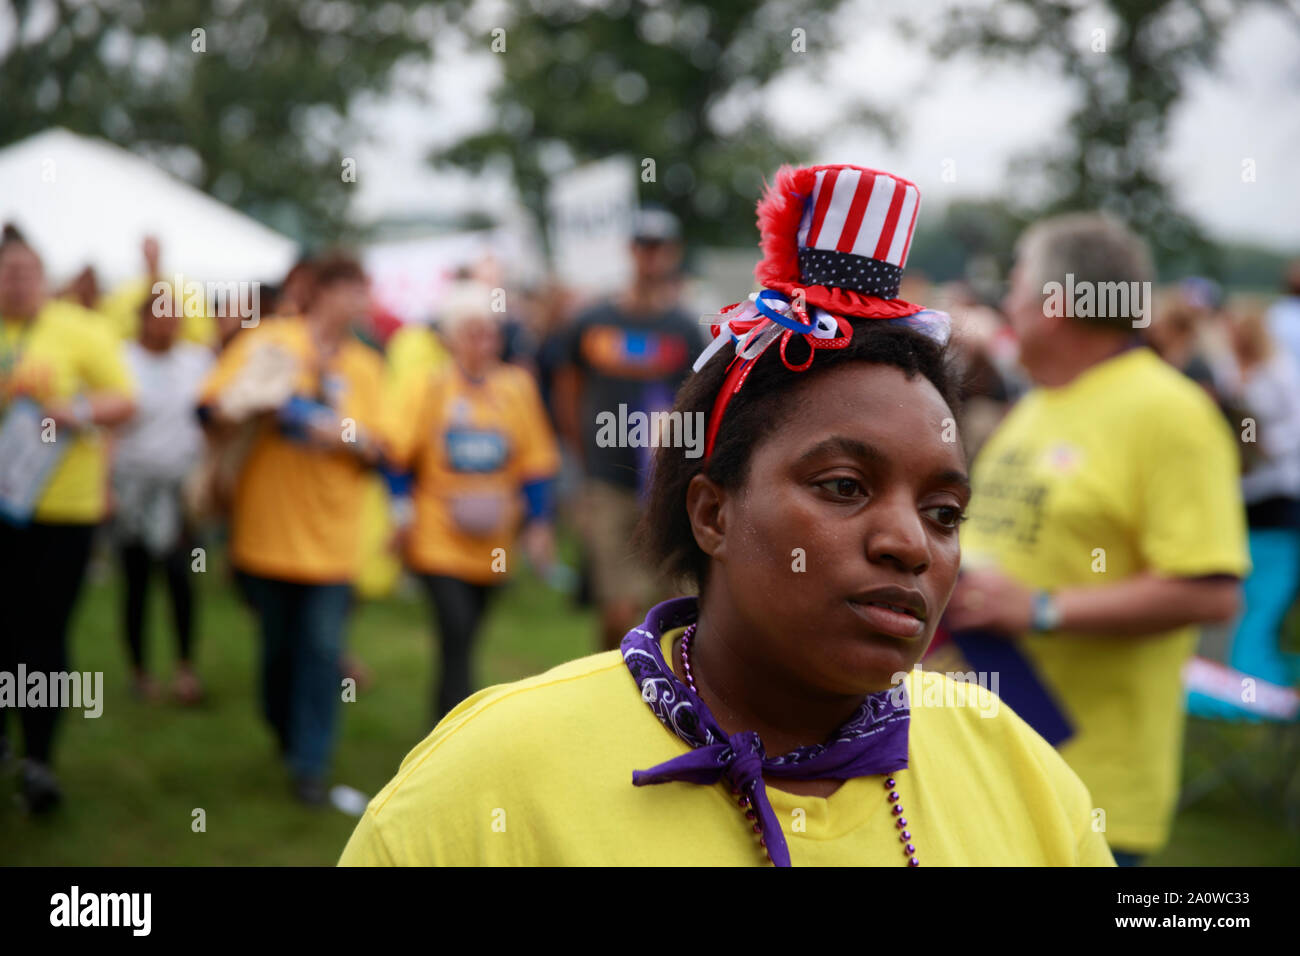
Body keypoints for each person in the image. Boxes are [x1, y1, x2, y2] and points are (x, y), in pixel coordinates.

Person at [339, 165, 1113, 866]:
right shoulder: (485, 788)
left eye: (944, 511)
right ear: (712, 512)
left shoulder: (1023, 774)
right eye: (844, 485)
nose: (909, 543)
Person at [950, 213, 1249, 866]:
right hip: (982, 753)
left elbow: (1212, 591)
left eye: (1017, 281)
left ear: (1056, 302)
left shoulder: (1172, 413)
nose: (1007, 299)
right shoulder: (1036, 404)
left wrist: (1042, 610)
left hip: (1088, 783)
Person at [197, 252, 385, 807]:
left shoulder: (366, 366)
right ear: (319, 291)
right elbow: (208, 411)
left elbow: (382, 448)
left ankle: (310, 766)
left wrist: (340, 431)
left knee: (323, 651)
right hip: (264, 533)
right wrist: (252, 401)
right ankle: (284, 730)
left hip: (332, 538)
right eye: (349, 289)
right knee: (277, 655)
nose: (359, 302)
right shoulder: (270, 342)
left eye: (363, 291)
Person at [0, 224, 136, 813]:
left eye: (27, 271)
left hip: (63, 513)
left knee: (44, 633)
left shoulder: (79, 329)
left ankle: (40, 757)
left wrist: (73, 408)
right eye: (7, 272)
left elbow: (125, 400)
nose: (17, 281)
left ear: (44, 276)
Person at [383, 281, 560, 723]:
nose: (484, 343)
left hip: (494, 543)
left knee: (468, 634)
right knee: (456, 630)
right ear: (450, 338)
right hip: (437, 536)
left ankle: (445, 723)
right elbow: (397, 454)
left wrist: (540, 524)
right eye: (472, 333)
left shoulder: (516, 386)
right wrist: (400, 512)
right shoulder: (429, 387)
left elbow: (535, 460)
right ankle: (451, 727)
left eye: (490, 332)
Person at [553, 206, 702, 650]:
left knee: (673, 603)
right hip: (606, 480)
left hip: (663, 484)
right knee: (616, 609)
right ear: (630, 252)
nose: (650, 257)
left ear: (672, 254)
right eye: (643, 247)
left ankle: (667, 696)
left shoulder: (684, 328)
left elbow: (694, 402)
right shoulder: (593, 321)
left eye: (659, 248)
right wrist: (580, 462)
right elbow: (568, 391)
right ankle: (609, 687)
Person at [1187, 302, 1300, 713]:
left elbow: (1290, 433)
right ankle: (1249, 691)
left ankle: (1262, 695)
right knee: (1247, 605)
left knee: (1260, 608)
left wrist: (1264, 448)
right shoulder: (1234, 371)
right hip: (1247, 501)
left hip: (1276, 503)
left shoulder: (1279, 375)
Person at [112, 291, 214, 703]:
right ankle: (139, 670)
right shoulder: (120, 359)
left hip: (180, 487)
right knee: (136, 580)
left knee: (180, 576)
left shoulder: (197, 361)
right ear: (143, 318)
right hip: (132, 483)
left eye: (176, 314)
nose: (170, 322)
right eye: (162, 314)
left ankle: (185, 668)